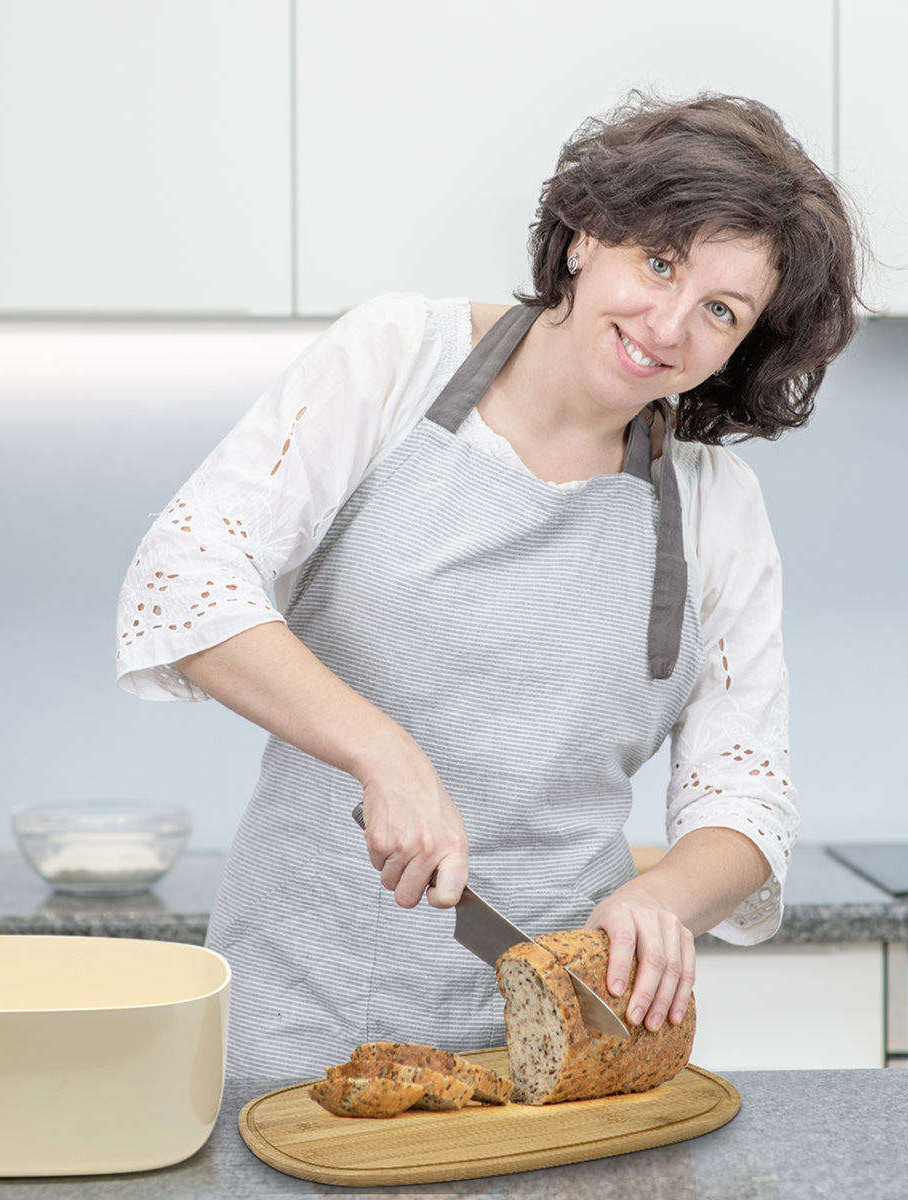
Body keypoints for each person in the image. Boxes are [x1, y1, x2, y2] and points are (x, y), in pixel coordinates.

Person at [116, 92, 864, 1079]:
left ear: (740, 347)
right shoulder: (396, 360)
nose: (669, 324)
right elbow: (185, 580)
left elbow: (745, 794)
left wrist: (664, 900)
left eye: (720, 311)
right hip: (297, 1016)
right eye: (660, 261)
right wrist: (383, 752)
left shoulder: (716, 508)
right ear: (588, 234)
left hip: (560, 1048)